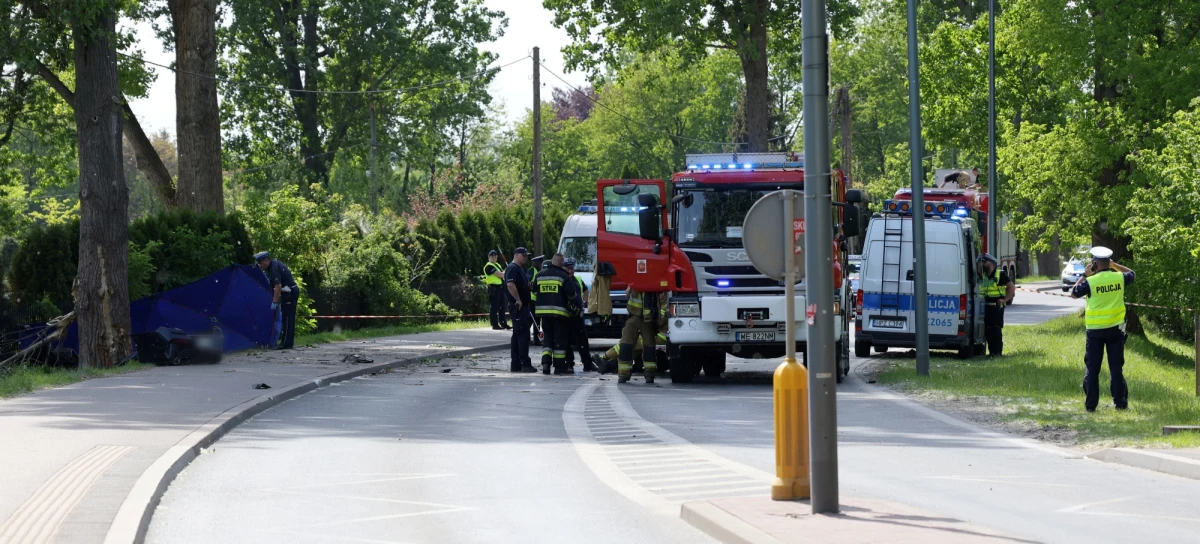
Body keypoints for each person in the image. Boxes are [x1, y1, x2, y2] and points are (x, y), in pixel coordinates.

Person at [1070, 246, 1135, 412]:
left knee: (1093, 370)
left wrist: (1085, 275)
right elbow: (1132, 273)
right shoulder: (1119, 278)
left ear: (1095, 263)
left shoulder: (1091, 282)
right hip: (1115, 330)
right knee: (1115, 368)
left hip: (1095, 331)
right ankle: (1120, 404)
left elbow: (1073, 293)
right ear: (1108, 262)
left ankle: (1091, 405)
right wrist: (1114, 265)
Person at [533, 254, 581, 375]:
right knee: (559, 339)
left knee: (547, 339)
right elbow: (571, 295)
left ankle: (546, 364)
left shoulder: (539, 275)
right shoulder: (564, 276)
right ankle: (559, 367)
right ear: (561, 263)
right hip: (559, 313)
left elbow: (534, 291)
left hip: (543, 313)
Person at [616, 288, 666, 384]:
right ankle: (649, 374)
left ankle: (623, 374)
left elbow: (627, 293)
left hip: (637, 316)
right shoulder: (651, 280)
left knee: (627, 343)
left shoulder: (636, 278)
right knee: (648, 345)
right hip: (647, 318)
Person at [256, 251, 298, 350]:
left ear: (266, 260)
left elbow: (278, 286)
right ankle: (288, 342)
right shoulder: (275, 264)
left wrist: (274, 302)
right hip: (290, 291)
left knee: (287, 319)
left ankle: (286, 344)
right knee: (289, 318)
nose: (260, 265)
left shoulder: (274, 269)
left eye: (261, 263)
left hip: (289, 293)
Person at [505, 247, 537, 373]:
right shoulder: (512, 268)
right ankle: (525, 364)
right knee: (523, 335)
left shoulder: (520, 269)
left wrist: (527, 286)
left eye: (526, 256)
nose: (525, 258)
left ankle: (516, 364)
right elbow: (510, 284)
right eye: (523, 255)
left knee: (517, 336)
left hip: (522, 306)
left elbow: (518, 284)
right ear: (516, 255)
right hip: (518, 306)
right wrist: (518, 299)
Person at [562, 258, 598, 372]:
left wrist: (584, 302)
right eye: (567, 269)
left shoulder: (577, 279)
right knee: (566, 341)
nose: (570, 271)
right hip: (566, 316)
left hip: (578, 316)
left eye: (571, 268)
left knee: (582, 341)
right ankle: (569, 364)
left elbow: (586, 290)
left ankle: (587, 364)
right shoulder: (562, 279)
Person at [978, 253, 1015, 356]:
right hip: (986, 306)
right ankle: (991, 352)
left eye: (984, 262)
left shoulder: (1000, 274)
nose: (982, 264)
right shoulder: (984, 275)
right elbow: (978, 269)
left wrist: (1005, 299)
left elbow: (1011, 287)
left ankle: (997, 352)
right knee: (988, 330)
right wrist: (980, 262)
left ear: (990, 263)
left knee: (996, 329)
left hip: (997, 307)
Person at [483, 250, 510, 330]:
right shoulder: (488, 266)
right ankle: (494, 324)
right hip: (493, 288)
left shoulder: (497, 265)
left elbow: (503, 275)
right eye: (492, 256)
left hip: (500, 288)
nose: (494, 258)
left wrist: (506, 271)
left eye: (495, 256)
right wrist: (508, 271)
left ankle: (503, 323)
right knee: (494, 307)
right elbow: (500, 275)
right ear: (489, 257)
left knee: (502, 306)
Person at [528, 255, 546, 346]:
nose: (541, 265)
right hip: (533, 299)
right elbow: (528, 282)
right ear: (537, 263)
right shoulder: (532, 270)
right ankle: (534, 339)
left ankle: (536, 338)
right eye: (540, 263)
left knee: (537, 320)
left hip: (539, 300)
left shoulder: (541, 272)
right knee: (533, 320)